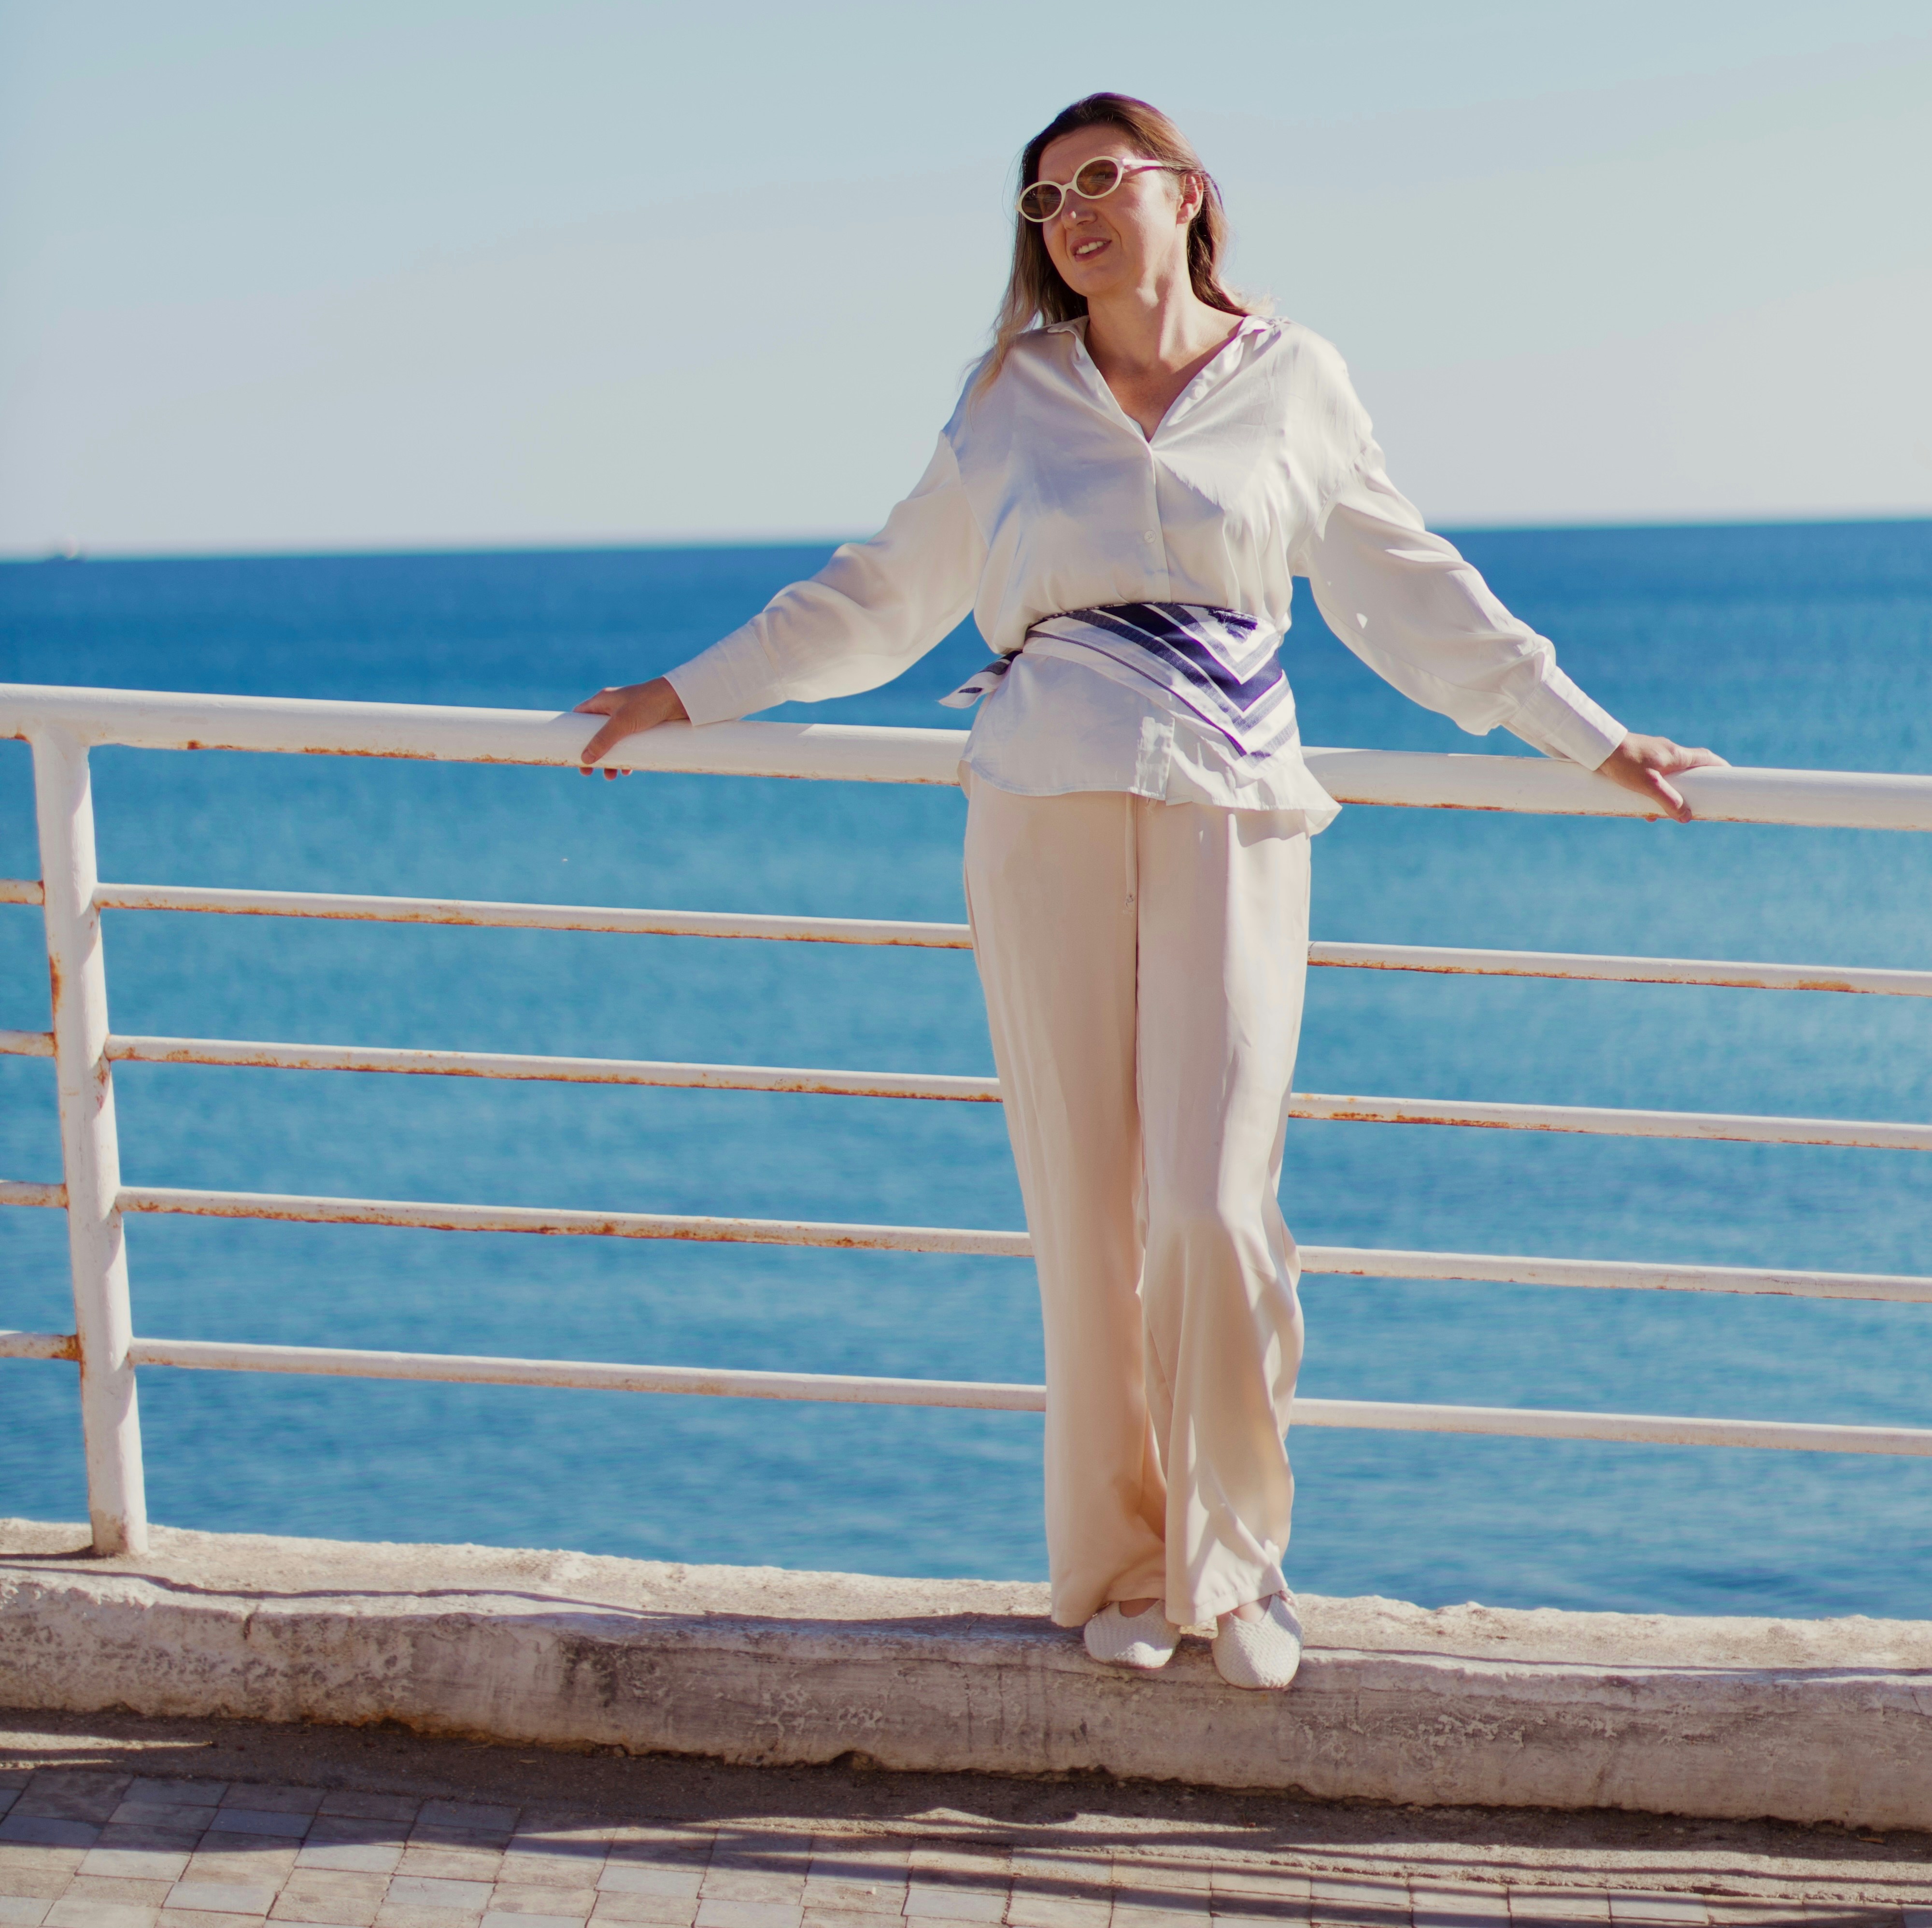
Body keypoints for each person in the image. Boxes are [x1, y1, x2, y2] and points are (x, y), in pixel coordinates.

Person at [575, 91, 1719, 1692]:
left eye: (1104, 179)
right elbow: (887, 591)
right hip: (1041, 804)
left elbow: (1407, 583)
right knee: (1086, 1216)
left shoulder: (1295, 376)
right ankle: (1120, 1568)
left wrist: (1584, 735)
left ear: (1191, 194)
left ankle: (1237, 1566)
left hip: (1238, 810)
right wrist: (690, 691)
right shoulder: (1012, 392)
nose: (1075, 213)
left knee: (1209, 1204)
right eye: (1047, 201)